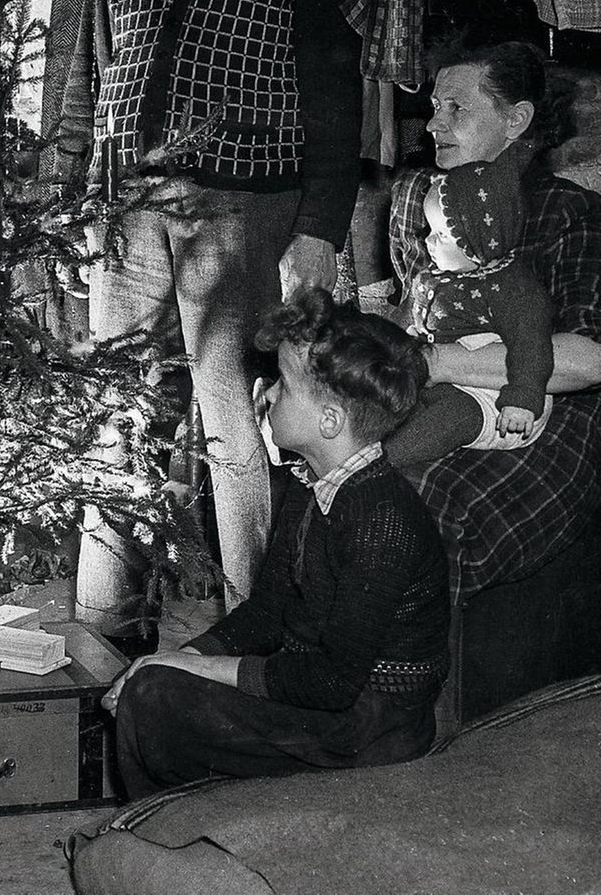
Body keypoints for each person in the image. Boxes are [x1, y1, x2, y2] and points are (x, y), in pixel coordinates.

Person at [81, 0, 363, 621]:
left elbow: (334, 99)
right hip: (130, 205)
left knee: (231, 417)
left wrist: (319, 227)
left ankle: (253, 621)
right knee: (112, 407)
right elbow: (105, 72)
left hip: (243, 209)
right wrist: (90, 194)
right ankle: (107, 616)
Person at [100, 288, 449, 799]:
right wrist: (176, 657)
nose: (265, 393)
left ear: (329, 420)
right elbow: (266, 615)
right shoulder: (313, 485)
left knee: (157, 697)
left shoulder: (381, 520)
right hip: (330, 705)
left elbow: (332, 683)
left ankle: (174, 825)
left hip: (370, 728)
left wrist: (184, 668)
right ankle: (183, 820)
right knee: (155, 684)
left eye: (283, 385)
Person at [387, 41, 601, 599]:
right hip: (440, 390)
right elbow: (412, 311)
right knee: (347, 468)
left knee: (417, 502)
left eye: (457, 107)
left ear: (516, 119)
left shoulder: (569, 211)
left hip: (544, 413)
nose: (434, 123)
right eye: (435, 106)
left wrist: (435, 361)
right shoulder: (427, 198)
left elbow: (588, 360)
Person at [383, 137, 553, 465]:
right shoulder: (443, 273)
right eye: (430, 230)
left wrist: (522, 399)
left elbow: (533, 348)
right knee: (391, 395)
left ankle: (378, 461)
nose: (428, 241)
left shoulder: (515, 290)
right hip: (444, 377)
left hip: (495, 398)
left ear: (479, 239)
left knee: (449, 418)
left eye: (441, 235)